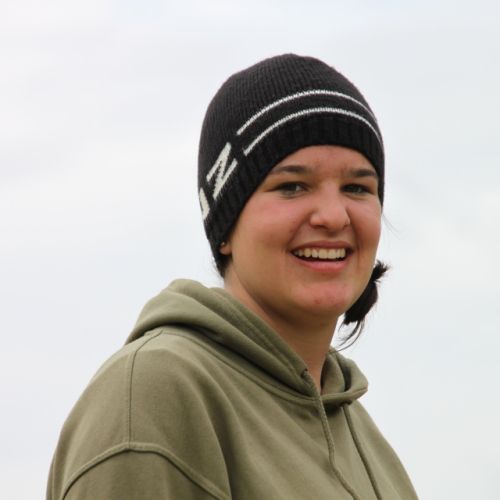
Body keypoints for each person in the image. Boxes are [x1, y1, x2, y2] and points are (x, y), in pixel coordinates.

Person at [47, 54, 418, 499]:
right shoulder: (156, 395)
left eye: (357, 187)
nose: (334, 216)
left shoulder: (362, 435)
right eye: (292, 186)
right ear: (225, 226)